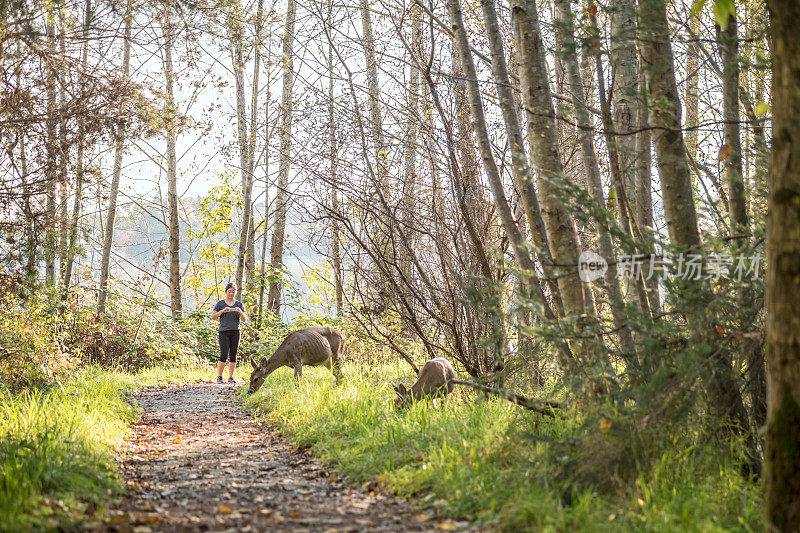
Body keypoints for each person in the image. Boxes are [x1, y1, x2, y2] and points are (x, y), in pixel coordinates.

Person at [211, 282, 247, 384]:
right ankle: (219, 377)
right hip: (223, 332)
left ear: (235, 292)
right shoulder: (220, 304)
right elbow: (213, 317)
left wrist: (240, 312)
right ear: (226, 292)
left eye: (233, 291)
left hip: (236, 331)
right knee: (223, 354)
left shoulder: (239, 304)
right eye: (229, 291)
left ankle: (231, 377)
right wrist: (222, 311)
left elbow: (244, 319)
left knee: (233, 354)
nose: (231, 293)